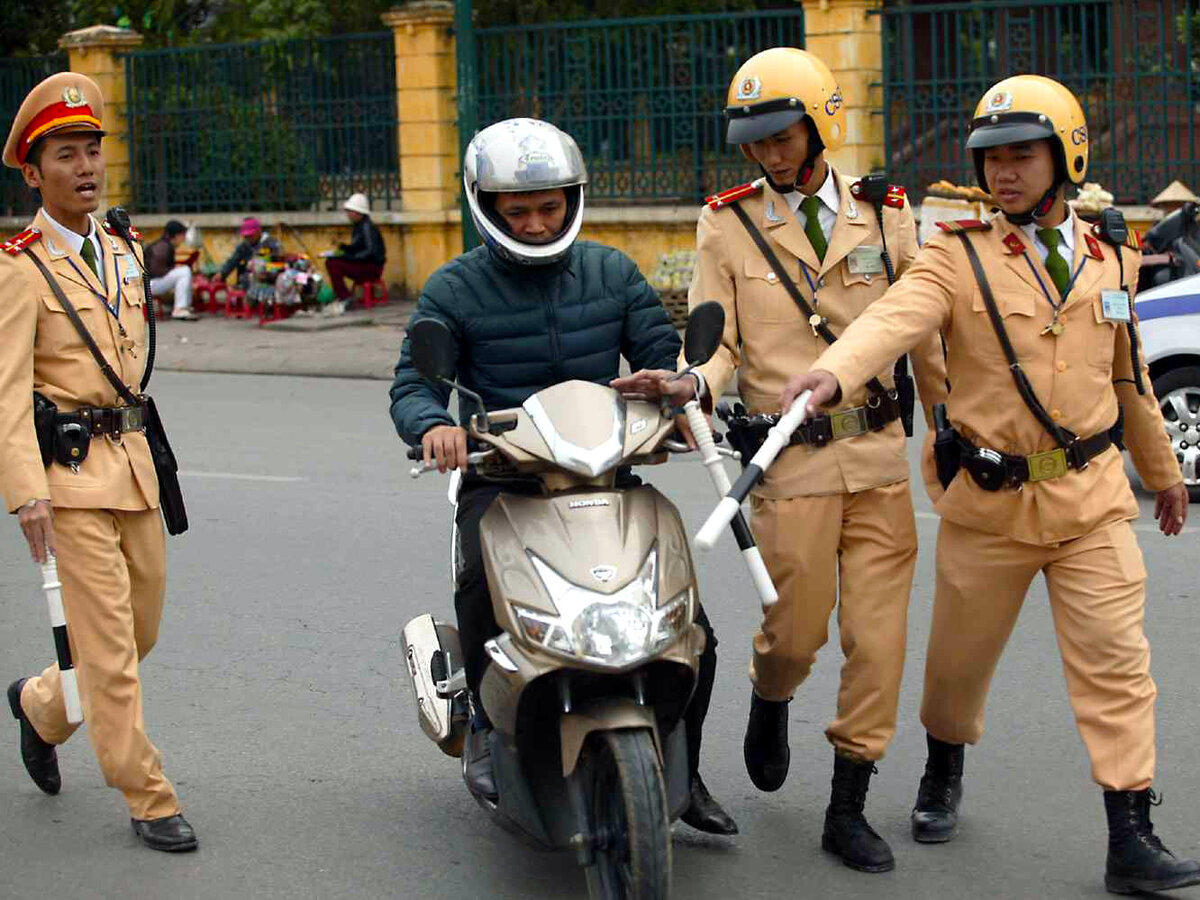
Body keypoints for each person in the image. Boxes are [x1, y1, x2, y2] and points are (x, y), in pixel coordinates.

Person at [780, 74, 1198, 895]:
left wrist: (1161, 473)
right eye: (991, 159)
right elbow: (894, 316)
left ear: (1066, 156)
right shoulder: (955, 253)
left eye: (1022, 156)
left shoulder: (1112, 249)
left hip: (1092, 500)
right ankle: (943, 768)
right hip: (990, 500)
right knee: (956, 670)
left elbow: (1129, 378)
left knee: (1118, 663)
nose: (1004, 173)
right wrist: (831, 375)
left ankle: (1130, 831)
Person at [619, 47, 948, 873]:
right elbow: (718, 337)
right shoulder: (727, 223)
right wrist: (694, 378)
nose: (769, 153)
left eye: (783, 134)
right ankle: (772, 696)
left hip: (875, 455)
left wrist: (946, 424)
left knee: (877, 643)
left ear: (819, 124)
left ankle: (848, 805)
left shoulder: (887, 212)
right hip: (787, 461)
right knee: (796, 635)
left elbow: (923, 325)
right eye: (755, 141)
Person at [389, 117, 737, 835]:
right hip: (504, 481)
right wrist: (434, 426)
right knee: (484, 592)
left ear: (573, 198)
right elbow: (413, 385)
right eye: (520, 211)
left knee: (690, 627)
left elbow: (661, 357)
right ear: (485, 207)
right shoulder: (454, 288)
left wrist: (674, 390)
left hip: (606, 475)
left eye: (550, 206)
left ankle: (686, 767)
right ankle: (488, 727)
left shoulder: (611, 273)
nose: (539, 223)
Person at [0, 72, 196, 852]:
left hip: (136, 465)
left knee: (136, 632)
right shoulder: (19, 270)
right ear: (33, 172)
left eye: (92, 152)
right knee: (111, 653)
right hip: (71, 480)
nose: (84, 168)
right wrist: (25, 494)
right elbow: (8, 391)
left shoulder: (122, 246)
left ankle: (42, 706)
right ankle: (146, 794)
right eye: (65, 155)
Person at [324, 192, 385, 315]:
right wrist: (344, 248)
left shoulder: (367, 227)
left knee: (333, 264)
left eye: (350, 211)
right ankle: (343, 296)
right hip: (365, 264)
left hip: (371, 267)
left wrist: (349, 257)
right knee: (332, 261)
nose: (348, 214)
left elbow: (370, 251)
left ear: (358, 212)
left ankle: (345, 298)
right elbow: (357, 247)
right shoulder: (359, 226)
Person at [146, 219, 198, 320]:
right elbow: (156, 271)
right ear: (177, 235)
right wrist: (173, 268)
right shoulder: (162, 247)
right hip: (149, 284)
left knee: (184, 271)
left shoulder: (165, 245)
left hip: (151, 283)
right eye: (183, 235)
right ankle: (180, 309)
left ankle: (184, 307)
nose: (183, 239)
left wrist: (173, 268)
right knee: (184, 271)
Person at [212, 216, 281, 288]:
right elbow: (233, 260)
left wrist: (266, 274)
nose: (248, 238)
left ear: (258, 231)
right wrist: (221, 274)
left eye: (250, 235)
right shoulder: (244, 245)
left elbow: (279, 265)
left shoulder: (272, 244)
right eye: (245, 236)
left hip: (268, 283)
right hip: (248, 282)